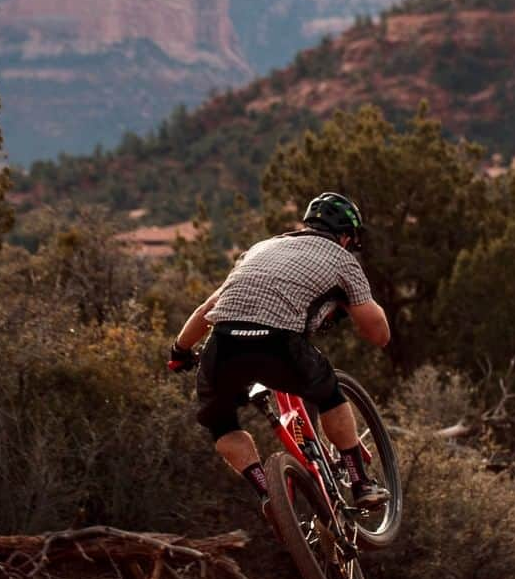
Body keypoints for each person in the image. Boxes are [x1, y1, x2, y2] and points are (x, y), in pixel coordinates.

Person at [167, 191, 391, 516]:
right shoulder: (342, 259)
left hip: (223, 343)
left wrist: (180, 351)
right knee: (330, 395)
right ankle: (361, 483)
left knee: (221, 424)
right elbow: (378, 333)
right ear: (345, 237)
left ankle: (266, 490)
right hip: (278, 343)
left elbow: (207, 308)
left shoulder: (260, 248)